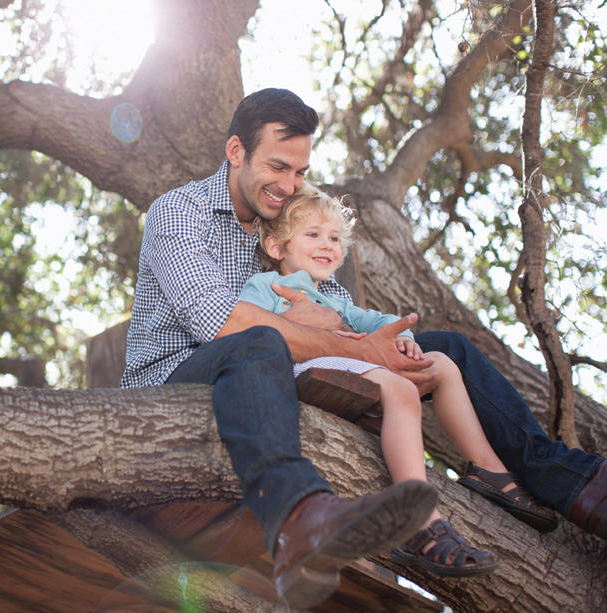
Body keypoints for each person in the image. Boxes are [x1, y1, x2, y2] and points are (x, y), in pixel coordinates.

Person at [121, 88, 606, 608]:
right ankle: (299, 517)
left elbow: (329, 315)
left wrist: (366, 340)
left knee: (446, 349)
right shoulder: (181, 211)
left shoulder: (282, 221)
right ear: (236, 151)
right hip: (174, 387)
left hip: (269, 376)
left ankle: (569, 482)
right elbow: (220, 321)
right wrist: (346, 344)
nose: (289, 186)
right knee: (257, 340)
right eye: (278, 167)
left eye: (300, 173)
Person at [239, 184, 557, 575]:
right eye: (313, 235)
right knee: (402, 388)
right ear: (276, 247)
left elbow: (381, 323)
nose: (327, 245)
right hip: (305, 375)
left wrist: (404, 341)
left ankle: (487, 468)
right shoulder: (265, 287)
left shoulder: (336, 299)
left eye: (335, 238)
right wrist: (292, 323)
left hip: (351, 371)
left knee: (439, 363)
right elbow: (251, 334)